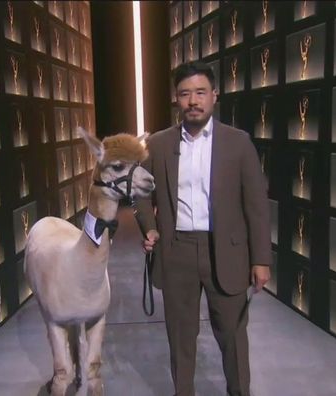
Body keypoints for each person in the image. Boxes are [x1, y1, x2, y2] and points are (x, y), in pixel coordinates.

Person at [134, 60, 271, 396]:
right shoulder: (159, 143)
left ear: (214, 95)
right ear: (176, 99)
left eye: (200, 92)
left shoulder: (238, 143)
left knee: (233, 339)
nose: (192, 101)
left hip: (226, 252)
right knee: (180, 338)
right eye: (184, 94)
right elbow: (139, 189)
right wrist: (149, 227)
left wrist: (261, 259)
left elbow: (256, 205)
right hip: (176, 250)